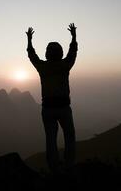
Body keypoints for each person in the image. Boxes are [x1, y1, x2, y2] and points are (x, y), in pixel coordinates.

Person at [26, 23, 78, 173]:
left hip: (48, 109)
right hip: (63, 108)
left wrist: (29, 40)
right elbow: (73, 52)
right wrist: (73, 36)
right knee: (69, 136)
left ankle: (54, 168)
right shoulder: (65, 65)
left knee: (50, 139)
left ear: (48, 54)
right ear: (60, 53)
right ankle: (69, 165)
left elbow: (32, 56)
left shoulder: (43, 67)